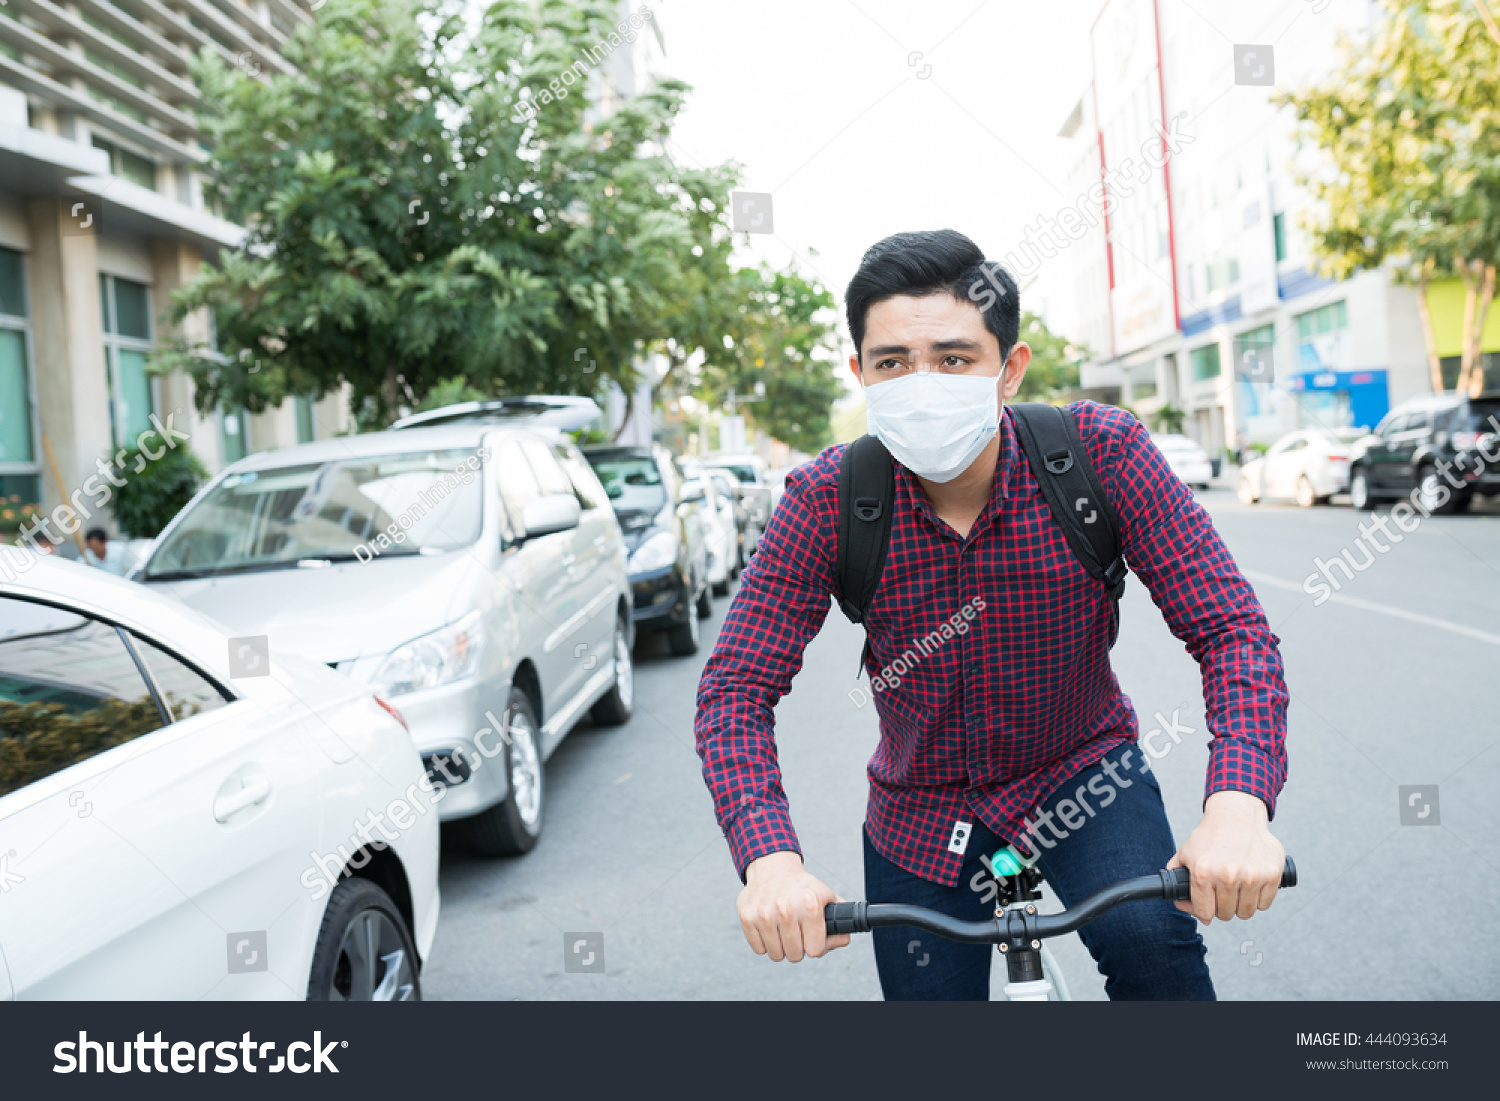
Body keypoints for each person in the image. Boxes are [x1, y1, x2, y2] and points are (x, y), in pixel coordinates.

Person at [693, 230, 1289, 1000]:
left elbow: (1231, 630)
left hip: (1085, 775)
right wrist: (770, 860)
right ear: (861, 374)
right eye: (892, 362)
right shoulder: (827, 499)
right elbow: (734, 691)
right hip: (919, 808)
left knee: (1154, 949)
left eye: (952, 358)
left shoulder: (1099, 457)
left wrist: (1238, 807)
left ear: (1007, 368)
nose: (922, 381)